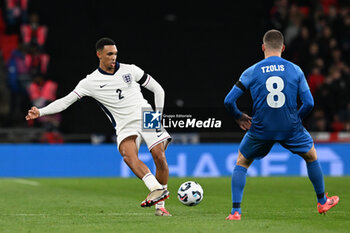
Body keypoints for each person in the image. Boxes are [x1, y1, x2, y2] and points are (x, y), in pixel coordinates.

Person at [25, 37, 172, 216]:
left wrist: (158, 117)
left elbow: (158, 90)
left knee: (159, 156)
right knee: (128, 156)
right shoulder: (90, 82)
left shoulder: (130, 70)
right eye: (109, 54)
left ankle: (160, 207)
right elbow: (65, 102)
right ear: (99, 54)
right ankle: (156, 188)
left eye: (116, 54)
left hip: (146, 115)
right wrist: (40, 112)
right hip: (124, 125)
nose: (113, 57)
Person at [224, 29, 339, 221]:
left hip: (260, 128)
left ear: (263, 47)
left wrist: (239, 116)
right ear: (283, 48)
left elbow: (229, 101)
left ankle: (236, 212)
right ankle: (322, 201)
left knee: (242, 162)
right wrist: (296, 120)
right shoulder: (296, 70)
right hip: (291, 127)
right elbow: (309, 103)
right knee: (311, 156)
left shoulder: (251, 71)